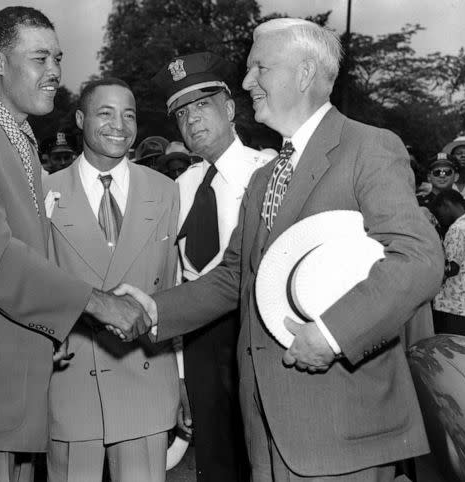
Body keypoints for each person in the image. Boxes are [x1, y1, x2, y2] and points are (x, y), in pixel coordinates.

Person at [117, 18, 444, 481]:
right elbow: (235, 276)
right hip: (266, 432)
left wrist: (332, 335)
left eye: (259, 69)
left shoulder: (368, 148)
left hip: (340, 427)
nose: (247, 82)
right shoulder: (265, 178)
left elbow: (419, 259)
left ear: (305, 73)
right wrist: (151, 309)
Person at [0, 7, 150, 481]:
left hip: (15, 399)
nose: (55, 71)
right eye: (39, 59)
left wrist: (47, 333)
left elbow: (31, 252)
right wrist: (97, 304)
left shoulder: (17, 135)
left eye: (58, 58)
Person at [44, 77, 180, 482]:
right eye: (105, 113)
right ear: (81, 119)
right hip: (71, 380)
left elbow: (173, 287)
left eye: (129, 115)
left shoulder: (166, 190)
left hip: (145, 377)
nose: (119, 124)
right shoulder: (44, 191)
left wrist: (183, 376)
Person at [152, 51, 271, 482]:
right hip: (200, 343)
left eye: (202, 105)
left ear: (230, 108)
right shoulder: (180, 188)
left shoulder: (270, 172)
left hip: (257, 333)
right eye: (181, 113)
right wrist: (182, 374)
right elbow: (176, 280)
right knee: (216, 465)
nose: (192, 120)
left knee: (263, 460)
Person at [430, 190, 465, 338]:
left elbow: (452, 268)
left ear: (446, 205)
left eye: (439, 212)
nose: (440, 218)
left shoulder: (457, 230)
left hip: (453, 306)